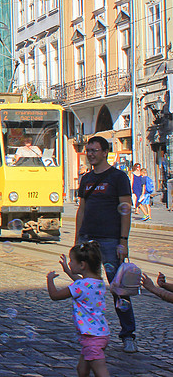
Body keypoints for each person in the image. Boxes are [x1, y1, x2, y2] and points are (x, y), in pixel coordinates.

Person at [74, 136, 137, 353]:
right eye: (88, 150)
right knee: (88, 289)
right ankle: (91, 332)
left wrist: (123, 241)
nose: (90, 153)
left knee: (119, 290)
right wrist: (77, 239)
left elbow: (125, 209)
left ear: (105, 152)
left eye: (94, 150)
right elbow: (81, 209)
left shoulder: (118, 177)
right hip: (88, 238)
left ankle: (128, 335)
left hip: (110, 240)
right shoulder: (86, 179)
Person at [46, 242, 110, 377]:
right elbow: (80, 282)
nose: (69, 263)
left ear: (82, 265)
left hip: (91, 336)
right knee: (82, 370)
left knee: (101, 371)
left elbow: (55, 296)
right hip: (99, 333)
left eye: (71, 261)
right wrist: (67, 271)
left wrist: (50, 280)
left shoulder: (80, 285)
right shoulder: (97, 282)